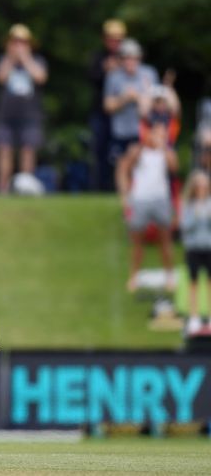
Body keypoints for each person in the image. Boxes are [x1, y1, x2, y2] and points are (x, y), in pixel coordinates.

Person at [116, 122, 177, 293]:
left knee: (165, 241)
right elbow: (125, 168)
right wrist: (125, 196)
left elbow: (174, 168)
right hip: (140, 199)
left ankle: (169, 275)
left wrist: (164, 147)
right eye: (157, 133)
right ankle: (134, 276)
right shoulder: (139, 150)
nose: (160, 137)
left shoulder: (166, 153)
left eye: (163, 134)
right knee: (137, 242)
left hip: (161, 199)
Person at [0, 24, 48, 193]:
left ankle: (26, 187)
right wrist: (11, 58)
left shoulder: (37, 60)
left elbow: (40, 77)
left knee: (28, 150)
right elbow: (0, 77)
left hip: (30, 114)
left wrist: (25, 58)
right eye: (15, 42)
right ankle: (2, 188)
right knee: (4, 149)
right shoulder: (3, 60)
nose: (18, 45)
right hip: (5, 115)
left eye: (22, 42)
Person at [104, 38, 158, 168]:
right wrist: (125, 98)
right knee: (121, 167)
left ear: (139, 58)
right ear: (121, 59)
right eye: (126, 58)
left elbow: (158, 103)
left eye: (133, 57)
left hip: (144, 131)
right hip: (121, 132)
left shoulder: (149, 74)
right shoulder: (113, 77)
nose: (130, 61)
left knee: (141, 169)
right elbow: (107, 106)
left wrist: (139, 98)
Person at [88, 19, 127, 191]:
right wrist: (105, 70)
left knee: (122, 152)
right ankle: (100, 188)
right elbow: (91, 79)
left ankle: (120, 187)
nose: (115, 43)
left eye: (118, 39)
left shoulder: (128, 58)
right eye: (111, 39)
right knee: (100, 151)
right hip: (101, 113)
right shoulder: (98, 58)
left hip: (123, 114)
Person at [180, 171, 211, 335]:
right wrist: (197, 215)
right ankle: (194, 317)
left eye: (204, 185)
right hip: (193, 248)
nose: (202, 188)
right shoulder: (188, 204)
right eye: (199, 185)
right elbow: (185, 226)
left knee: (209, 283)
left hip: (209, 247)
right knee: (193, 282)